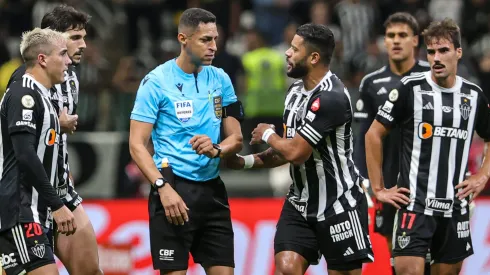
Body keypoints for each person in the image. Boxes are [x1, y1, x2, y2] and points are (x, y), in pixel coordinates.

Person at [226, 23, 373, 275]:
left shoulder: (332, 97)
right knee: (286, 268)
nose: (287, 53)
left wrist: (268, 133)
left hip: (338, 204)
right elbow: (286, 150)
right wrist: (245, 162)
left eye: (294, 49)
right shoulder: (294, 92)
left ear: (314, 57)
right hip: (300, 203)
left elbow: (296, 151)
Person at [365, 18, 490, 275]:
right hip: (415, 205)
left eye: (443, 50)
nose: (436, 57)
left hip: (455, 207)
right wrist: (378, 188)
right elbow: (373, 135)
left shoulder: (474, 95)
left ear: (458, 52)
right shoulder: (410, 88)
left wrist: (482, 175)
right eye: (431, 51)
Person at [129, 8, 244, 275]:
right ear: (184, 39)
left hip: (212, 192)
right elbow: (136, 144)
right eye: (205, 40)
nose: (214, 46)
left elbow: (236, 139)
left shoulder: (221, 79)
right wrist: (162, 187)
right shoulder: (156, 82)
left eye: (215, 39)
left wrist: (217, 149)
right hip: (173, 189)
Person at [6, 5, 102, 275]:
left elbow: (52, 141)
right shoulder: (23, 82)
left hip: (61, 188)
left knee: (90, 271)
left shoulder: (70, 77)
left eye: (84, 37)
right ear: (51, 40)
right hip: (28, 194)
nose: (83, 45)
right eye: (74, 38)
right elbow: (17, 140)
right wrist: (56, 123)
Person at [352, 12, 430, 274]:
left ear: (415, 41)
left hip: (427, 183)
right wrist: (365, 180)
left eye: (403, 35)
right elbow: (364, 136)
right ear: (384, 41)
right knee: (398, 254)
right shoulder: (371, 83)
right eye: (391, 36)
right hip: (389, 184)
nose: (396, 41)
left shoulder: (432, 77)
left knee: (434, 260)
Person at [0, 27, 76, 275]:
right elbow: (25, 156)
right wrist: (57, 204)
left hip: (37, 210)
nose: (68, 61)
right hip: (21, 210)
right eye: (62, 54)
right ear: (42, 59)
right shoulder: (24, 94)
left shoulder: (45, 96)